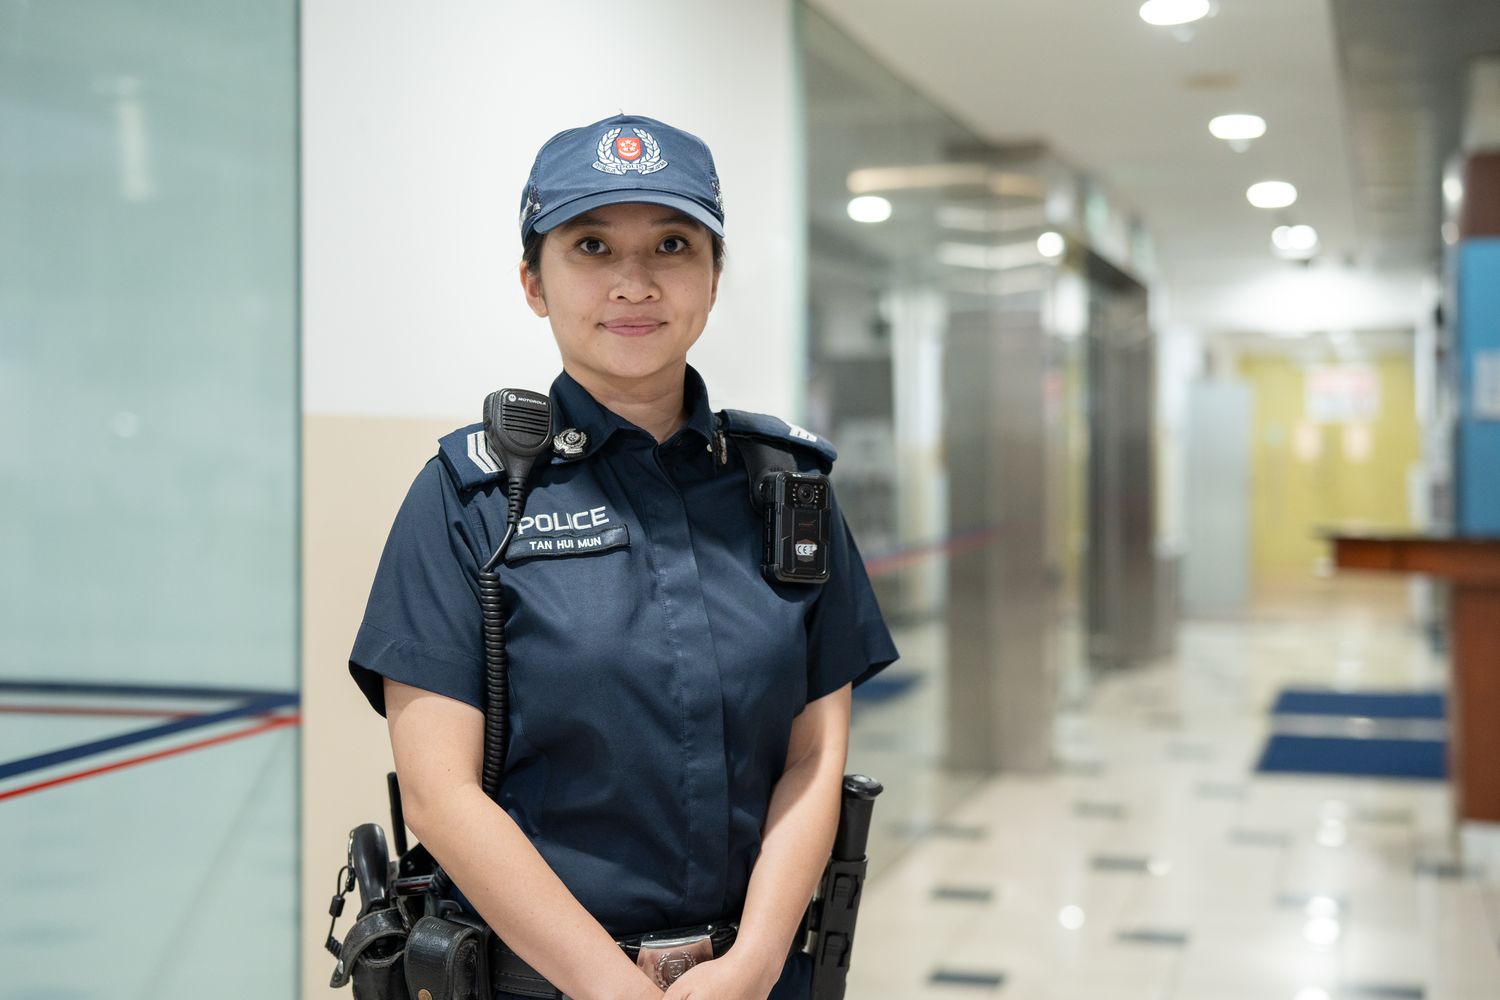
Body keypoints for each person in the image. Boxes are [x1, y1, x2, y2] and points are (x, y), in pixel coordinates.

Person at [349, 113, 898, 1000]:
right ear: (533, 281)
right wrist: (613, 988)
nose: (634, 284)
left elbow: (814, 755)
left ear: (714, 278)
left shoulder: (788, 490)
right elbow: (439, 794)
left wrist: (755, 962)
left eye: (673, 245)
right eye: (593, 246)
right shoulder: (467, 500)